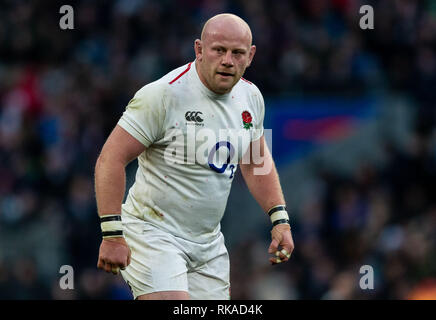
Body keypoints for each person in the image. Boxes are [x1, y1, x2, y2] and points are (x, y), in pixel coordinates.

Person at [94, 13, 294, 300]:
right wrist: (112, 234)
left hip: (208, 244)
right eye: (219, 50)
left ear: (250, 56)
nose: (228, 60)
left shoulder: (251, 98)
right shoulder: (163, 95)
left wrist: (280, 220)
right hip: (152, 233)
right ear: (199, 50)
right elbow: (110, 159)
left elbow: (255, 162)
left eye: (237, 53)